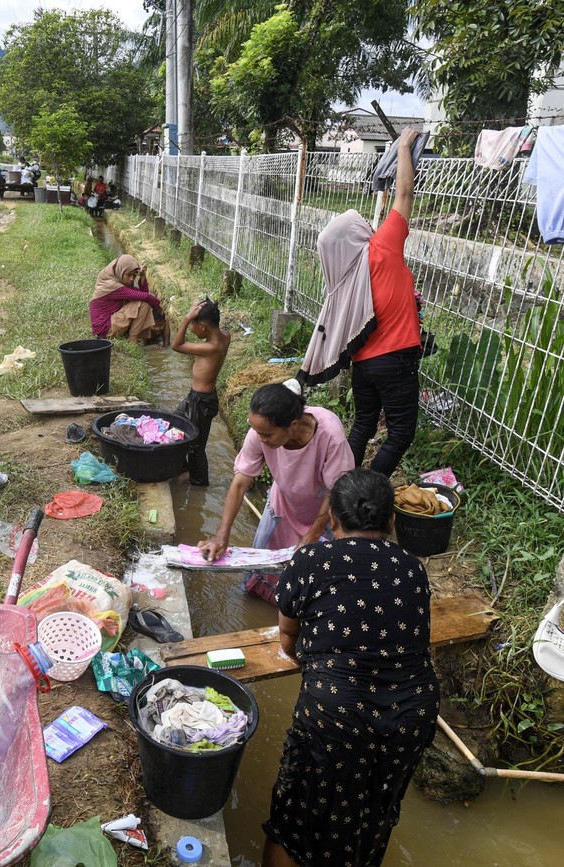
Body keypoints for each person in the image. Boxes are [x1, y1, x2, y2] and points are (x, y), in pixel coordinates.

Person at [263, 468, 439, 867]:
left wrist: (320, 669)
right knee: (371, 815)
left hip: (334, 709)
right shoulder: (413, 567)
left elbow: (287, 640)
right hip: (412, 712)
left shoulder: (310, 558)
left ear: (334, 521)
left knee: (296, 817)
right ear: (392, 521)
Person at [198, 382, 354, 601]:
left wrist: (313, 533)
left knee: (315, 579)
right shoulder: (259, 433)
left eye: (267, 435)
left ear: (292, 426)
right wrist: (222, 535)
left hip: (323, 511)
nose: (260, 439)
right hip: (283, 504)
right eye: (257, 432)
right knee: (264, 568)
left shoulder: (329, 433)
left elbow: (335, 490)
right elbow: (240, 483)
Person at [347, 127, 423, 476]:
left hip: (362, 362)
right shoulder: (382, 247)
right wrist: (405, 146)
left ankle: (342, 486)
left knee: (363, 426)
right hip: (394, 359)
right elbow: (404, 193)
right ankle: (367, 493)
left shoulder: (346, 271)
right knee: (401, 433)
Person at [172, 298, 231, 486]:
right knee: (175, 426)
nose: (191, 329)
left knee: (196, 446)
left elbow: (176, 345)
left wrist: (187, 318)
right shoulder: (225, 336)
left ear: (204, 327)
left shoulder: (210, 347)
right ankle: (184, 470)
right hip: (197, 398)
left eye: (193, 325)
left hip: (201, 401)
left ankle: (198, 482)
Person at [89, 255, 161, 343]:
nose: (131, 279)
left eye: (134, 275)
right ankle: (133, 339)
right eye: (128, 275)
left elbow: (143, 293)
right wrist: (157, 307)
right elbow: (146, 296)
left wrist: (142, 276)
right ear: (121, 271)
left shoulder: (114, 278)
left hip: (107, 325)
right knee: (144, 304)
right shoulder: (113, 286)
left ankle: (136, 336)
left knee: (141, 301)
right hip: (105, 330)